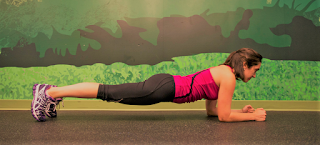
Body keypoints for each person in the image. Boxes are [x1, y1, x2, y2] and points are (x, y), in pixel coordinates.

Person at [31, 48, 267, 122]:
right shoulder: (227, 77)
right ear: (245, 63)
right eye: (255, 70)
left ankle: (51, 93)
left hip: (165, 84)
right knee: (107, 92)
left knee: (108, 92)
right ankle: (50, 92)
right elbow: (224, 118)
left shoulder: (224, 73)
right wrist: (254, 116)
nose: (255, 75)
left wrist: (240, 111)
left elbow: (213, 111)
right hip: (163, 88)